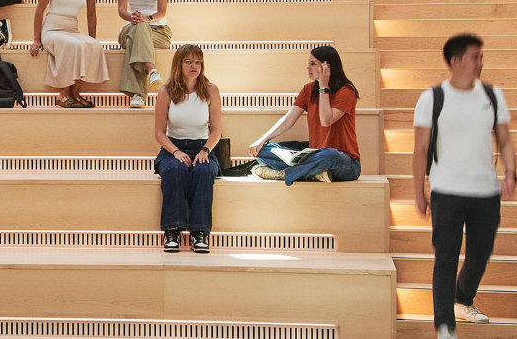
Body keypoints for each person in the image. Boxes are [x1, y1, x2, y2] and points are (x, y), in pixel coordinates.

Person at [415, 34, 516, 338]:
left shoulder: (493, 95)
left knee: (480, 254)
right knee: (446, 256)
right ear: (456, 61)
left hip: (486, 191)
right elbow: (420, 149)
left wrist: (511, 171)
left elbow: (505, 138)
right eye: (475, 57)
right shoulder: (432, 98)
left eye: (481, 56)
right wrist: (418, 191)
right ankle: (445, 325)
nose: (480, 62)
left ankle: (462, 298)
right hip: (446, 190)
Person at [246, 45, 362, 183]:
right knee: (264, 150)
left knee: (329, 155)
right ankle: (313, 173)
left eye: (313, 64)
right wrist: (261, 140)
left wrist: (324, 87)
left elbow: (326, 120)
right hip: (315, 154)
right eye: (308, 64)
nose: (308, 68)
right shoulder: (308, 89)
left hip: (345, 163)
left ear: (327, 67)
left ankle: (286, 173)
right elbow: (288, 119)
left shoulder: (346, 91)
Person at [153, 43, 222, 254]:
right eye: (189, 61)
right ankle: (172, 232)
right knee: (175, 170)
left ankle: (199, 234)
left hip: (203, 148)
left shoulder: (211, 90)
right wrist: (175, 152)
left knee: (202, 171)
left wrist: (205, 152)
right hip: (173, 148)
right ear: (179, 64)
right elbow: (159, 133)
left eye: (198, 62)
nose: (194, 66)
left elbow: (216, 130)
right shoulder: (166, 92)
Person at [27, 0, 109, 107]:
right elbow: (40, 9)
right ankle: (63, 93)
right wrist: (36, 39)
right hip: (52, 30)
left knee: (94, 46)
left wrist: (91, 40)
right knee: (73, 45)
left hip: (72, 29)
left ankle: (75, 92)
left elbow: (91, 13)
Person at [114, 0, 170, 108]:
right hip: (130, 27)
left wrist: (147, 18)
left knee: (137, 36)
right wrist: (131, 17)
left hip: (159, 31)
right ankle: (151, 70)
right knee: (137, 29)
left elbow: (162, 11)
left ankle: (138, 95)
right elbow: (122, 10)